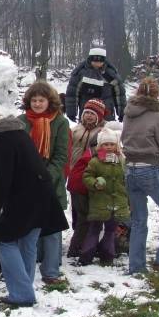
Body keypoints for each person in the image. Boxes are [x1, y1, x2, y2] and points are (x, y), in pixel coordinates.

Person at [0, 116, 68, 307]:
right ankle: (25, 288)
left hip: (24, 198)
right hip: (42, 195)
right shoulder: (22, 136)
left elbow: (3, 177)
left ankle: (22, 293)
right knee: (28, 242)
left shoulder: (2, 139)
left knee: (4, 241)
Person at [121, 77, 159, 274]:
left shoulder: (129, 113)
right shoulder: (157, 115)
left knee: (138, 219)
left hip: (130, 168)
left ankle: (136, 265)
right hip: (149, 168)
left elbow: (124, 137)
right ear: (157, 94)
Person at [17, 81, 70, 285]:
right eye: (34, 100)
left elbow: (61, 155)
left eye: (41, 100)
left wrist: (45, 176)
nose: (38, 104)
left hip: (50, 182)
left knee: (52, 229)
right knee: (27, 228)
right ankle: (25, 268)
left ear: (49, 101)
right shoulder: (21, 121)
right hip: (25, 181)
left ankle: (51, 270)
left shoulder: (60, 122)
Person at [79, 127, 129, 265]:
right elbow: (86, 176)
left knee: (111, 231)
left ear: (116, 145)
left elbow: (126, 179)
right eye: (105, 144)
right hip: (99, 202)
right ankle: (86, 256)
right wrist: (95, 183)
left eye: (112, 144)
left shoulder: (121, 161)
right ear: (100, 146)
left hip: (117, 203)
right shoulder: (95, 161)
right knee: (94, 229)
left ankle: (107, 257)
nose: (109, 147)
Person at [67, 98, 106, 258]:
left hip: (91, 174)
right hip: (75, 172)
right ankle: (79, 233)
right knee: (77, 209)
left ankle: (85, 240)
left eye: (92, 114)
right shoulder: (76, 130)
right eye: (86, 113)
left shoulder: (102, 132)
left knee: (88, 210)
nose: (88, 116)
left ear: (99, 117)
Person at [65, 47, 127, 122]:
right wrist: (71, 112)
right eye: (95, 60)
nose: (98, 63)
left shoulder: (110, 73)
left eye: (101, 60)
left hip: (106, 113)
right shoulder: (81, 73)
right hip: (87, 113)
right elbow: (72, 93)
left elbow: (120, 94)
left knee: (107, 129)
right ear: (90, 59)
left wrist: (122, 113)